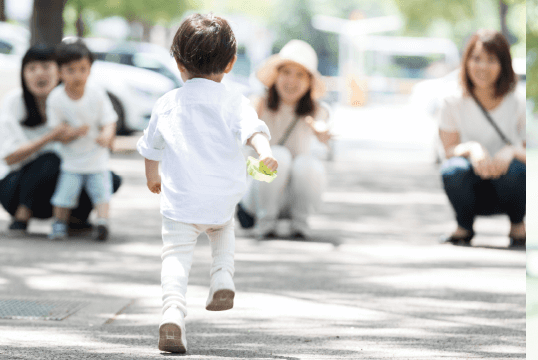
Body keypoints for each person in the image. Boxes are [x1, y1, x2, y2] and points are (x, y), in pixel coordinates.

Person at [137, 13, 276, 353]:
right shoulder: (234, 101)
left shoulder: (167, 103)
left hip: (180, 201)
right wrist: (265, 152)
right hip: (221, 197)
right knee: (222, 230)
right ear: (230, 64)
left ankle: (172, 312)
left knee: (175, 256)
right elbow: (253, 130)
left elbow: (151, 146)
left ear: (177, 62)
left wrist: (152, 176)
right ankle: (221, 278)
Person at [0, 45, 123, 236]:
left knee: (107, 177)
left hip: (60, 183)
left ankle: (75, 218)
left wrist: (105, 135)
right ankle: (21, 217)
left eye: (45, 67)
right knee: (51, 159)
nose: (39, 74)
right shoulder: (14, 102)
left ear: (59, 72)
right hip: (15, 187)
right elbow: (8, 158)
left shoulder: (76, 98)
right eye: (31, 68)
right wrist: (51, 136)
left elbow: (106, 122)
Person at [438, 29, 527, 248]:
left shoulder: (518, 102)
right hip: (470, 186)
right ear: (466, 62)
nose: (482, 67)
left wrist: (511, 151)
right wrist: (472, 148)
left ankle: (518, 226)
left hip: (509, 187)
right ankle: (463, 226)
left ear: (503, 64)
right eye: (476, 59)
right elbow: (448, 150)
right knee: (453, 169)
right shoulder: (452, 101)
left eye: (491, 60)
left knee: (518, 169)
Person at [237, 39, 331, 239]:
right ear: (276, 75)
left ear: (309, 82)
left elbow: (321, 124)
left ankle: (300, 224)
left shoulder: (316, 111)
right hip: (257, 193)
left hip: (292, 197)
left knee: (308, 163)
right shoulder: (259, 103)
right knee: (278, 155)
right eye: (286, 72)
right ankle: (265, 223)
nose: (291, 81)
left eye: (300, 75)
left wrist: (321, 130)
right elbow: (244, 126)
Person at [43, 39, 119, 241]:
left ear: (90, 69)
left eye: (83, 69)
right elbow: (56, 131)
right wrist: (72, 133)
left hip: (97, 157)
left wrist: (106, 134)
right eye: (71, 70)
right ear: (59, 72)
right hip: (72, 159)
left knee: (102, 193)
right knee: (64, 194)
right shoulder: (56, 98)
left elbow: (110, 119)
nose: (78, 75)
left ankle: (103, 222)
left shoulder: (96, 92)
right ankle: (59, 223)